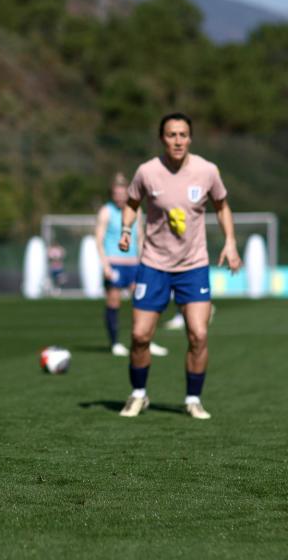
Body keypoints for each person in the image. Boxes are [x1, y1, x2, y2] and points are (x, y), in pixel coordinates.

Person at [117, 112, 241, 419]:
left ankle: (193, 399)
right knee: (140, 335)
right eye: (171, 135)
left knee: (198, 334)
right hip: (153, 264)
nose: (178, 140)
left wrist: (230, 241)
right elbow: (132, 204)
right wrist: (126, 230)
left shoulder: (207, 170)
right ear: (162, 138)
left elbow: (222, 206)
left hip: (193, 265)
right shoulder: (147, 171)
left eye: (183, 134)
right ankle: (138, 394)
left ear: (190, 138)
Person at [94, 173, 168, 358]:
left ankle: (145, 341)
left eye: (122, 193)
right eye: (116, 193)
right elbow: (99, 240)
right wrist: (105, 266)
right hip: (115, 263)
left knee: (143, 303)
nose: (119, 197)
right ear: (112, 194)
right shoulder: (106, 211)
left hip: (134, 264)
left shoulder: (136, 210)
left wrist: (146, 261)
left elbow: (141, 237)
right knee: (113, 302)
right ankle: (115, 343)